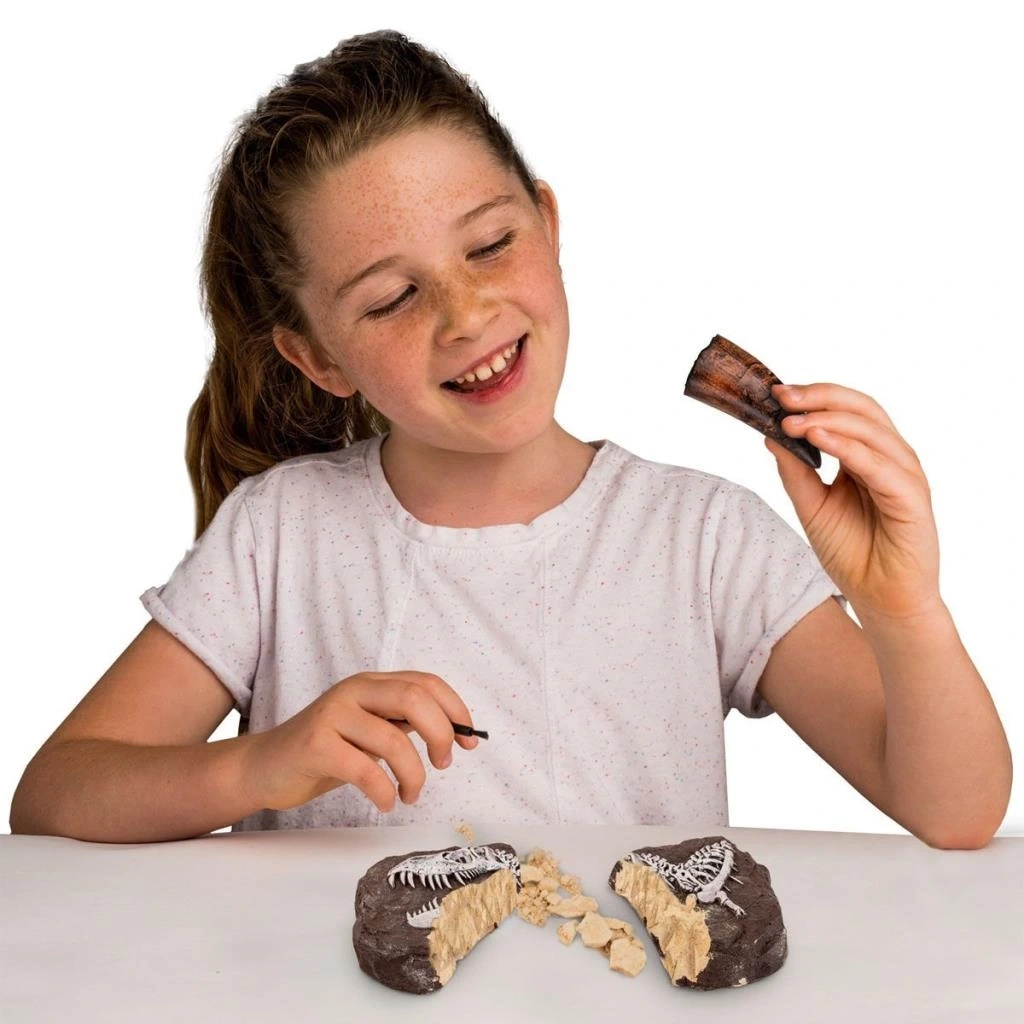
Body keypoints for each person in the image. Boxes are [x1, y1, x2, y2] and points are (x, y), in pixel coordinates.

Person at [9, 30, 1010, 847]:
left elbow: (954, 811)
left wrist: (904, 609)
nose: (466, 313)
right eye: (392, 298)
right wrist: (259, 765)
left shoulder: (705, 539)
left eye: (490, 245)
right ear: (317, 357)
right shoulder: (280, 536)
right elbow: (56, 794)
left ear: (546, 222)